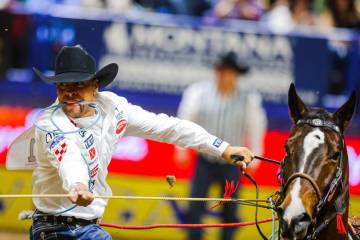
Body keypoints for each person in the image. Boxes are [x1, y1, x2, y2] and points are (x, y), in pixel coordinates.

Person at [20, 45, 254, 239]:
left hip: (87, 228)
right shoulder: (50, 123)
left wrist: (223, 148)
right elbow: (68, 156)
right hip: (53, 229)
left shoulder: (114, 108)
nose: (69, 93)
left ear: (95, 86)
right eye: (63, 86)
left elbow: (168, 127)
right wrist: (78, 184)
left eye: (77, 84)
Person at [177, 52, 267, 240]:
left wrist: (255, 158)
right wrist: (181, 149)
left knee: (230, 210)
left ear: (236, 75)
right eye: (222, 71)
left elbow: (256, 128)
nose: (225, 76)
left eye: (229, 72)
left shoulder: (248, 99)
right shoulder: (199, 93)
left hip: (233, 164)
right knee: (195, 206)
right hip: (205, 159)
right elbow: (186, 119)